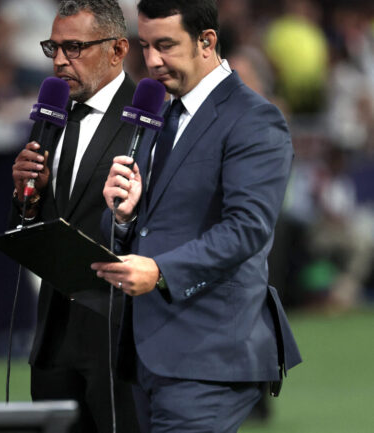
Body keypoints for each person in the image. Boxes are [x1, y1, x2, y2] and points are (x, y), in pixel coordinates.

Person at [91, 1, 302, 432]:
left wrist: (161, 270)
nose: (151, 60)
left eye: (165, 45)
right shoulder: (158, 116)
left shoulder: (255, 120)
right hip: (148, 353)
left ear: (207, 42)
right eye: (145, 46)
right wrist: (124, 218)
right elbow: (148, 228)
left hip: (210, 357)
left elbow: (247, 229)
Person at [10, 1, 139, 431]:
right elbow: (38, 218)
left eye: (75, 47)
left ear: (118, 50)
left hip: (118, 335)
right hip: (53, 334)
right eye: (54, 47)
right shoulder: (50, 116)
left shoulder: (148, 120)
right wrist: (27, 198)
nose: (60, 60)